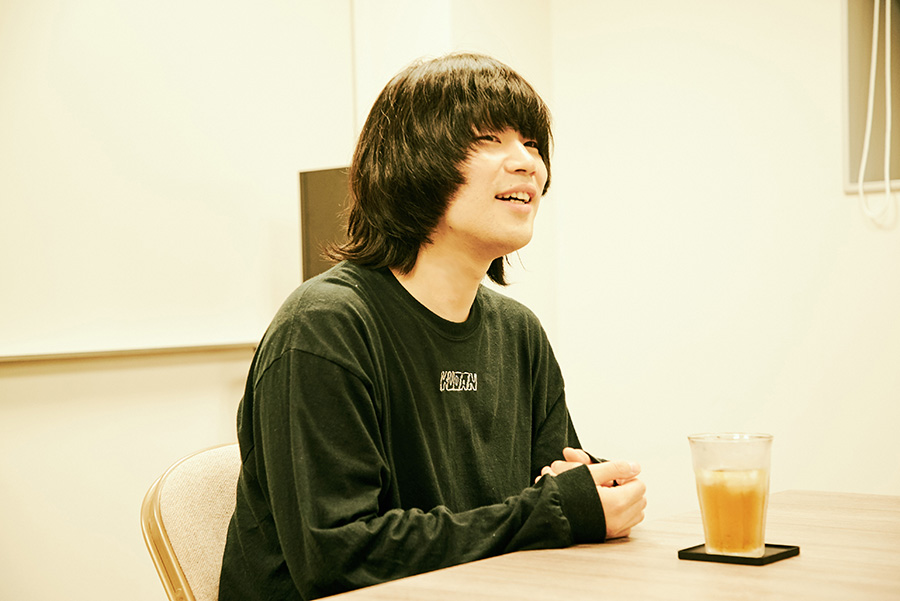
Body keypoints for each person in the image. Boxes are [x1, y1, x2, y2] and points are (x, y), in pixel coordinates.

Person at [218, 52, 646, 601]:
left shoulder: (518, 333)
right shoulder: (324, 327)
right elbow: (339, 559)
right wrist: (557, 512)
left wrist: (592, 488)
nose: (527, 163)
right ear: (412, 163)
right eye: (489, 139)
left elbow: (550, 496)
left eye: (532, 144)